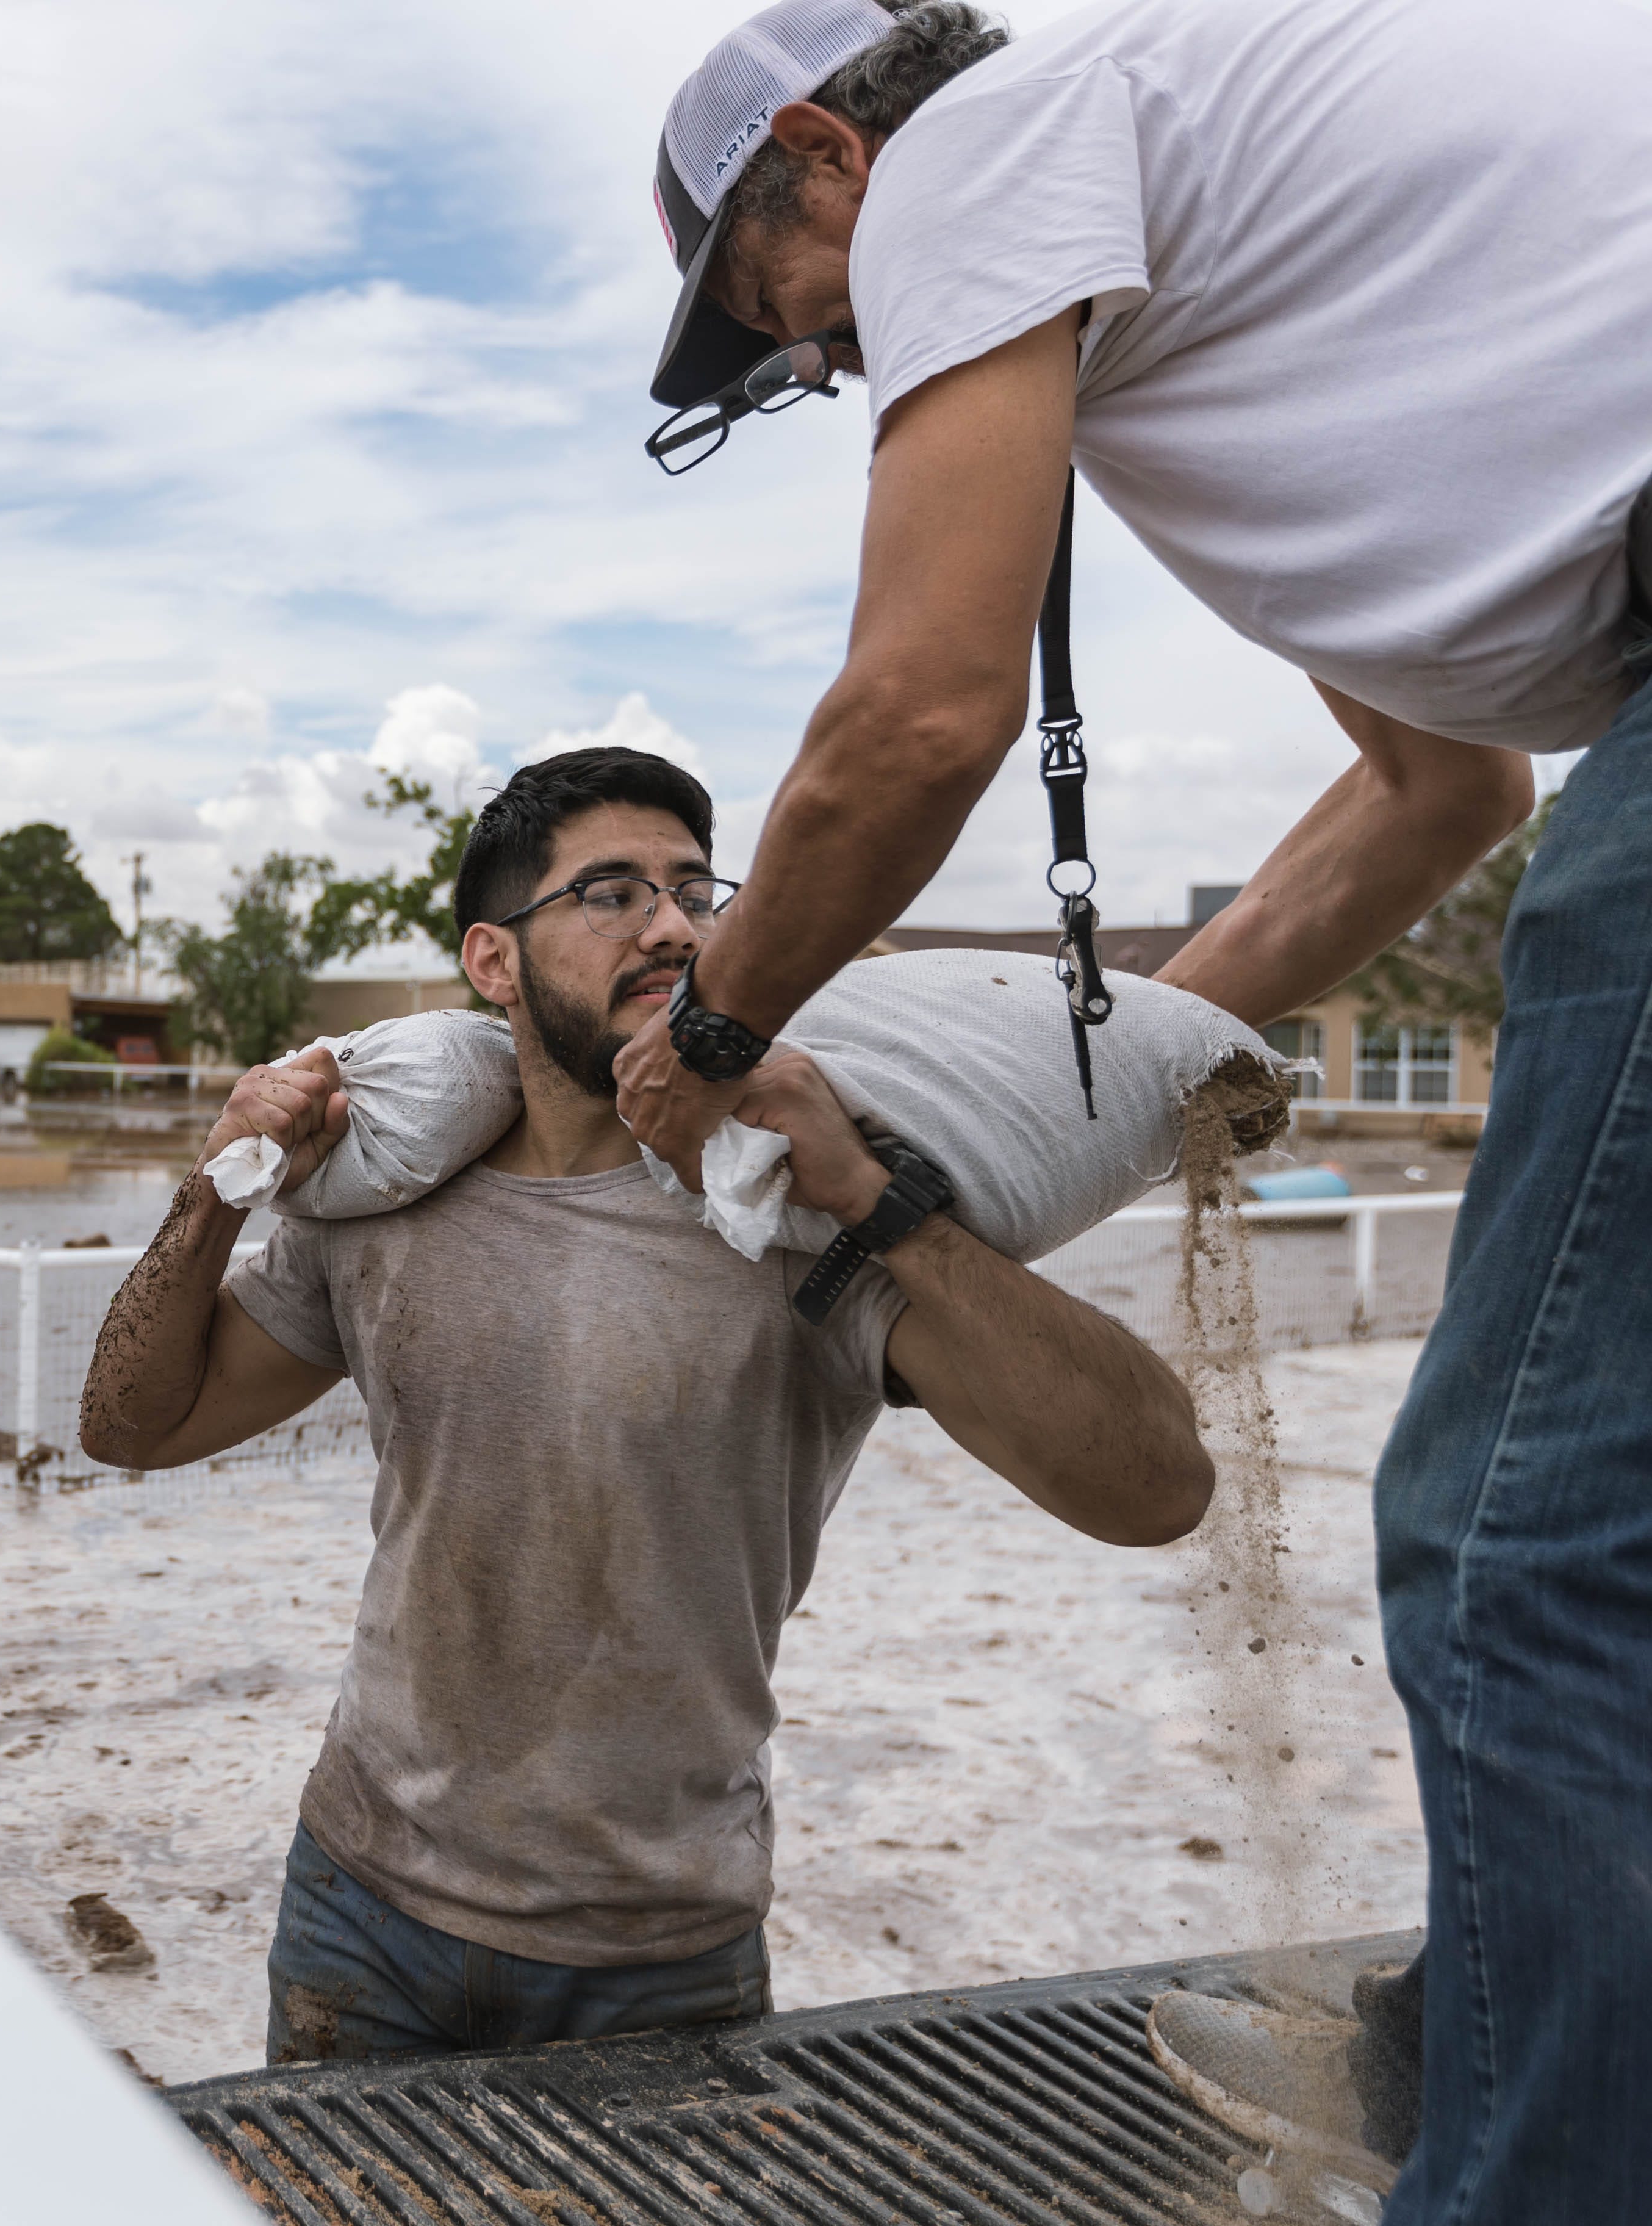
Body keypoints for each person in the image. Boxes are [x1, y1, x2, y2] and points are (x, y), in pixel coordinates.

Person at [607, 2, 1652, 2212]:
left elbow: (908, 717)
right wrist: (1059, 1109)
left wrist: (706, 1032)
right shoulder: (1237, 272)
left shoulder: (992, 140)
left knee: (1507, 1546)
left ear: (823, 154)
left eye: (764, 319)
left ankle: (1525, 2148)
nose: (808, 377)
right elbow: (1428, 790)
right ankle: (1491, 2025)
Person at [79, 747, 1211, 2063]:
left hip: (661, 1951)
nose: (674, 925)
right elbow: (130, 1424)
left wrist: (866, 1193)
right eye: (612, 892)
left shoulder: (793, 1217)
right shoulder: (383, 1202)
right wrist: (220, 1182)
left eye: (694, 890)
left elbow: (1158, 1492)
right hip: (359, 1905)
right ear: (494, 962)